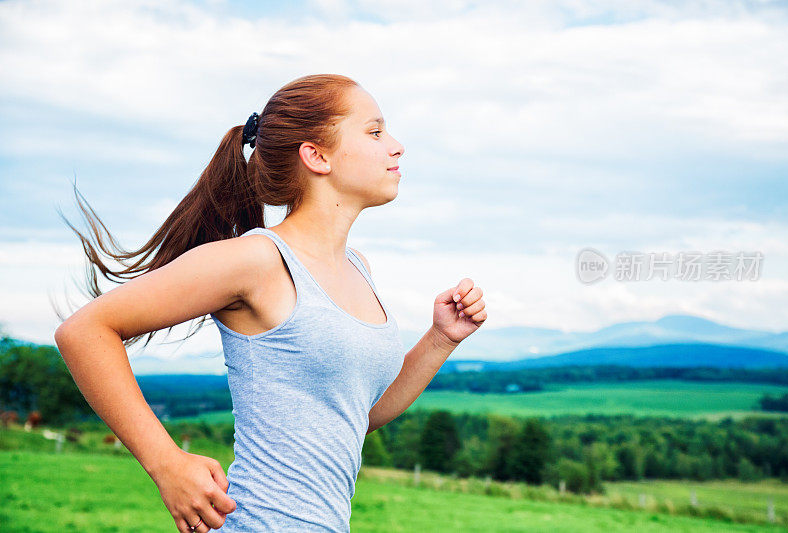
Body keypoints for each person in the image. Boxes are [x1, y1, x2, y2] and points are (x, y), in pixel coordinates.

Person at [53, 73, 487, 532]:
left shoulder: (358, 268)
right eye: (375, 132)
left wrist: (441, 339)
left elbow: (358, 413)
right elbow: (83, 331)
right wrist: (166, 463)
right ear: (316, 156)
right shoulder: (258, 260)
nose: (396, 146)